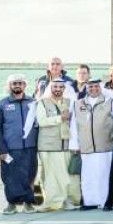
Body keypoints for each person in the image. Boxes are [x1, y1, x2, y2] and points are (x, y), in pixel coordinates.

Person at [0, 75, 38, 214]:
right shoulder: (2, 104)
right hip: (10, 148)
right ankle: (11, 203)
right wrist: (1, 149)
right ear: (9, 86)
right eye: (14, 83)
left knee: (29, 175)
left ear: (25, 85)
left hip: (30, 147)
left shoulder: (33, 102)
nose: (17, 85)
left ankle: (28, 203)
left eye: (20, 83)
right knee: (9, 177)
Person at [69, 78, 113, 211]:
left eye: (96, 86)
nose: (93, 89)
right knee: (87, 176)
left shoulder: (109, 101)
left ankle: (105, 201)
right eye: (90, 87)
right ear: (86, 89)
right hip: (86, 147)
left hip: (105, 147)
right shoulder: (78, 103)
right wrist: (74, 145)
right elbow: (74, 125)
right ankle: (89, 201)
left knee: (104, 175)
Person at [35, 78, 77, 212]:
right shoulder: (42, 102)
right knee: (50, 177)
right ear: (50, 88)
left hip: (65, 144)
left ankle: (64, 201)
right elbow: (41, 121)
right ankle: (50, 203)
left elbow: (74, 124)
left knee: (64, 176)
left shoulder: (69, 102)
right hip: (48, 145)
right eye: (55, 87)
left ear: (64, 89)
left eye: (61, 87)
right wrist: (60, 118)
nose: (58, 89)